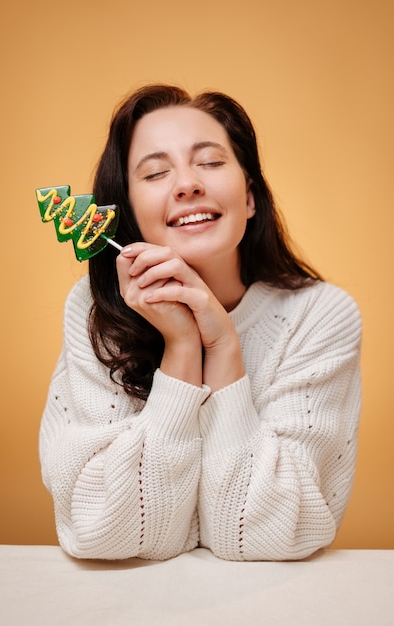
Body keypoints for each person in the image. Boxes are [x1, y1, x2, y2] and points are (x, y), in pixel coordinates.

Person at [39, 84, 361, 561]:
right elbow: (109, 532)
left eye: (210, 162)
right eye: (155, 172)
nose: (187, 184)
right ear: (127, 212)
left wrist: (224, 347)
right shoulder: (96, 307)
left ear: (250, 197)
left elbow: (260, 537)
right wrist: (182, 346)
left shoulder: (319, 316)